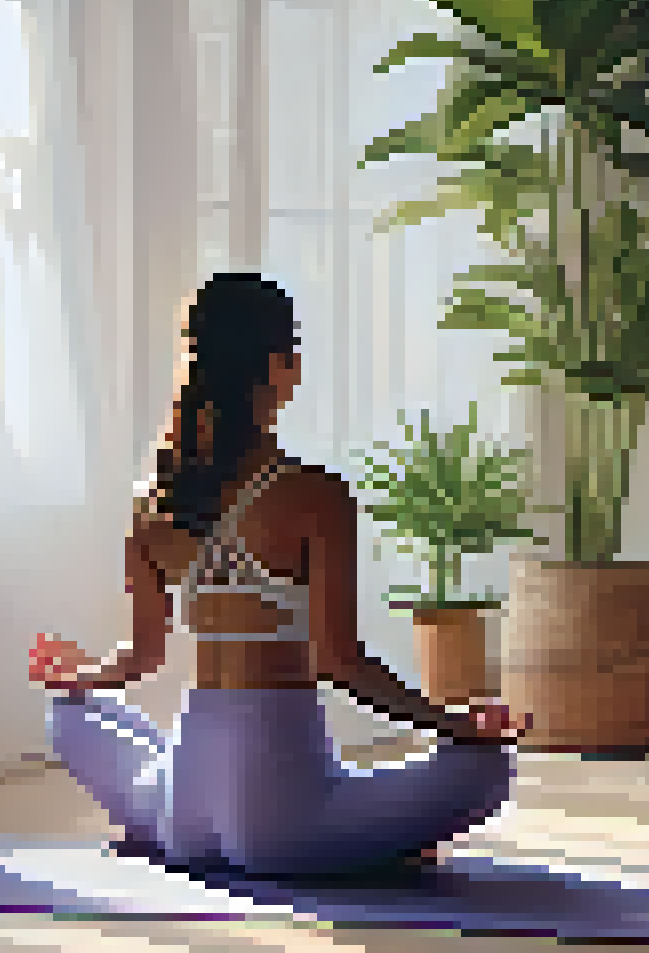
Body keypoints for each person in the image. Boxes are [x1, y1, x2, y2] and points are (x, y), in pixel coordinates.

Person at [30, 271, 528, 878]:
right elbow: (340, 663)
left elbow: (138, 659)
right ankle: (357, 843)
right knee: (487, 766)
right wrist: (456, 723)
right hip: (286, 825)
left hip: (182, 812)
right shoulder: (315, 496)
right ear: (280, 367)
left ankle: (166, 822)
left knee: (71, 712)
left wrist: (78, 675)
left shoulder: (153, 501)